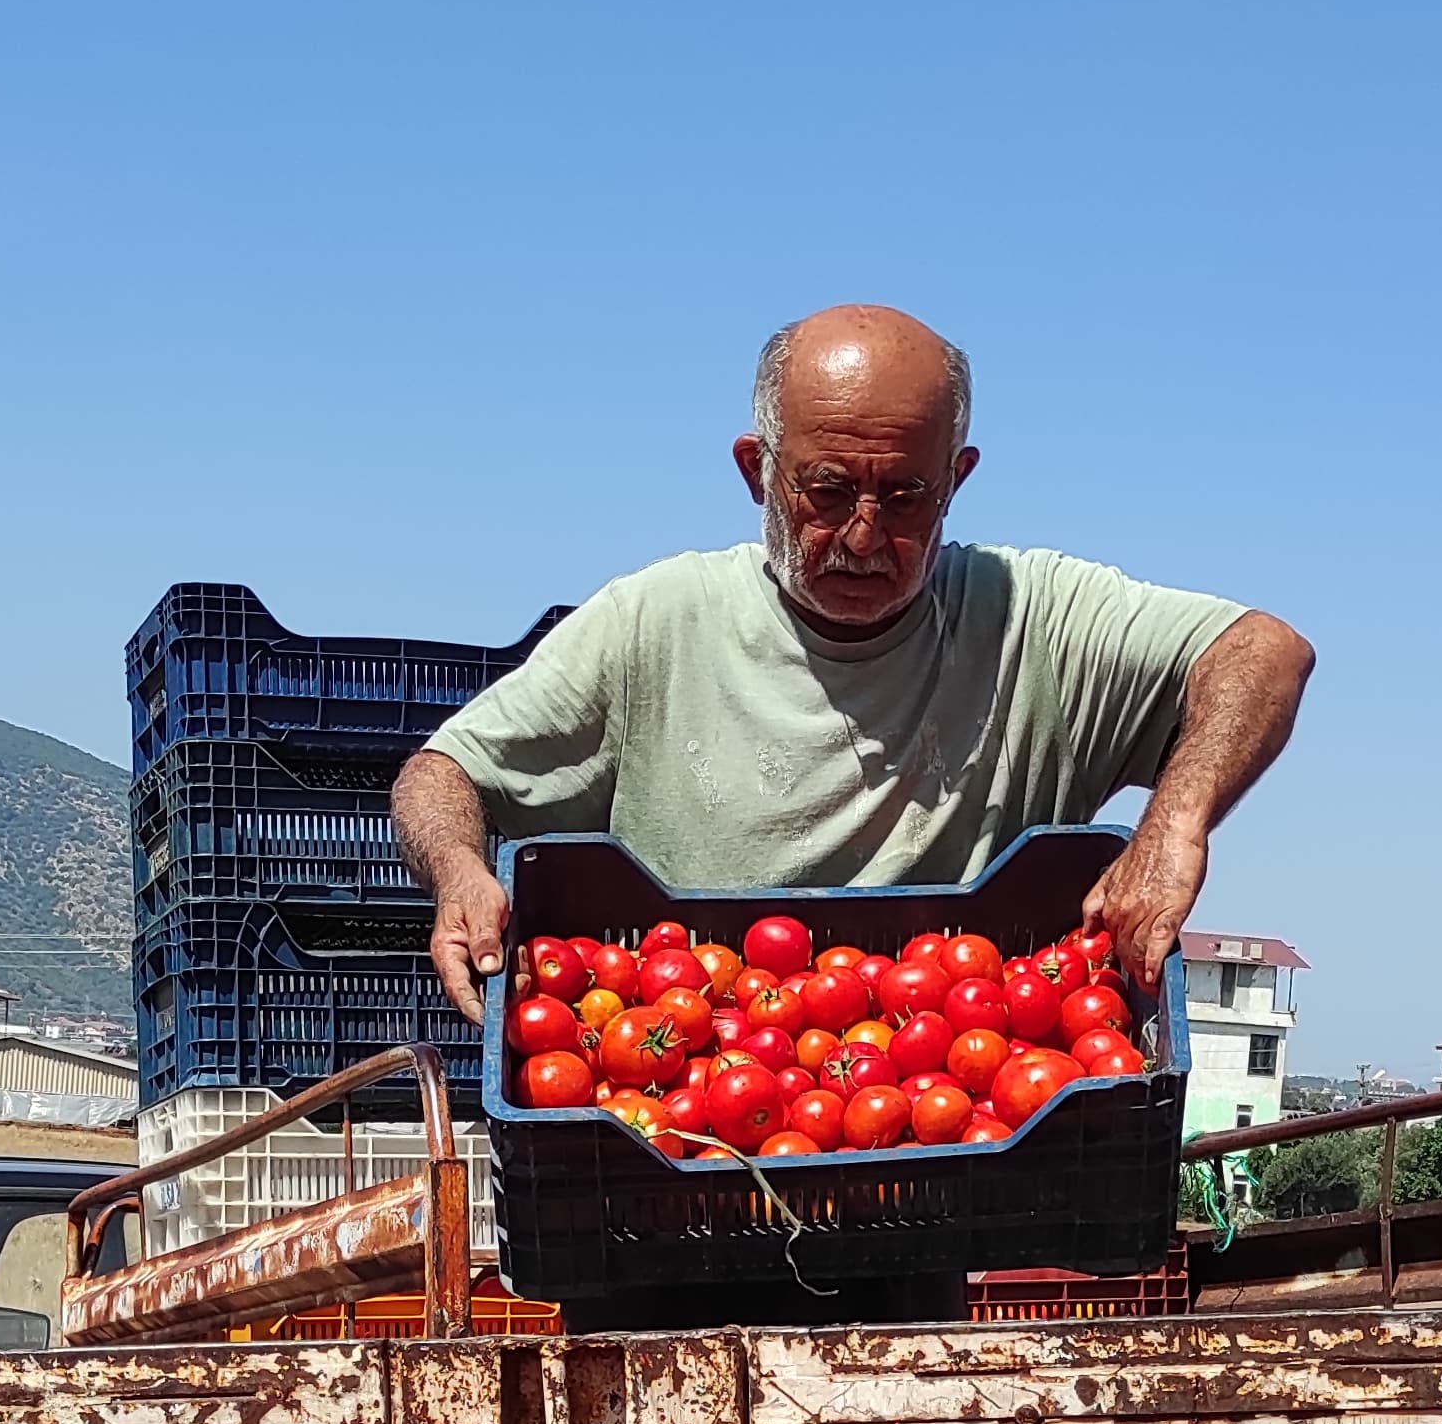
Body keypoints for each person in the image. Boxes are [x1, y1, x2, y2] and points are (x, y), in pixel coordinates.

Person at [396, 306, 1310, 1023]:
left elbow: (1265, 651)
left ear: (957, 479)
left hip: (948, 1127)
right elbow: (442, 774)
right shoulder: (654, 625)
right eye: (827, 491)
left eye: (906, 496)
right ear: (757, 472)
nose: (865, 536)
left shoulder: (1034, 617)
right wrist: (461, 874)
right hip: (684, 1114)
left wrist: (1173, 825)